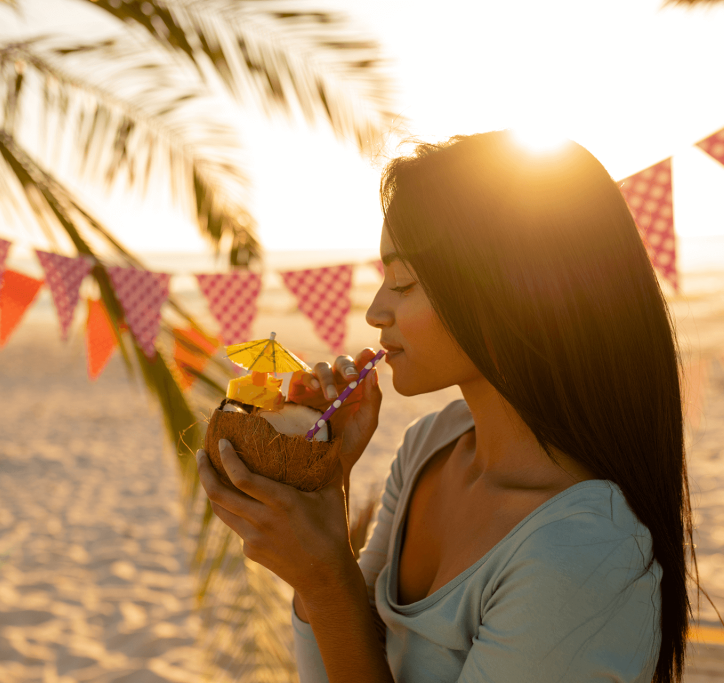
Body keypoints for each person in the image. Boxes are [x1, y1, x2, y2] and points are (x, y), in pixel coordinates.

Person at [195, 130, 698, 682]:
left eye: (403, 281)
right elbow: (339, 662)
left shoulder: (580, 552)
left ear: (505, 291)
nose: (374, 311)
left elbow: (336, 605)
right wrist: (321, 489)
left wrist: (324, 579)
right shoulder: (429, 446)